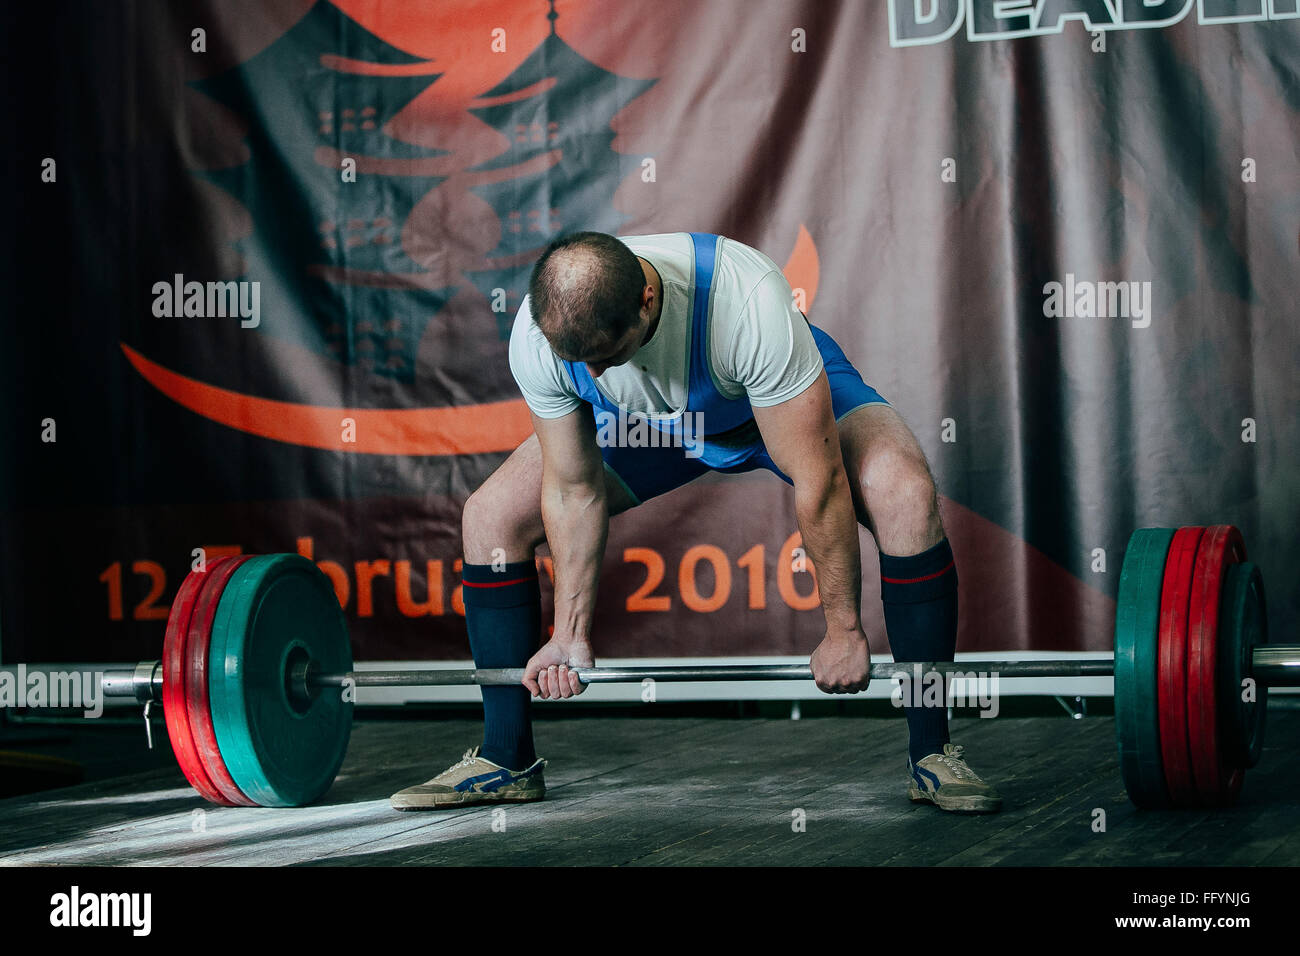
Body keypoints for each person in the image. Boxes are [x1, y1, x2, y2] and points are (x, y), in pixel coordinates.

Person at [391, 231, 1001, 813]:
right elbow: (574, 489)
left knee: (903, 492)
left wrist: (842, 629)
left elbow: (821, 481)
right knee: (491, 516)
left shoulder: (746, 303)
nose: (597, 376)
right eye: (582, 363)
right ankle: (507, 758)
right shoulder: (539, 334)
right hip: (654, 428)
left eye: (607, 357)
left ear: (647, 301)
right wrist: (568, 631)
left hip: (763, 406)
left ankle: (932, 751)